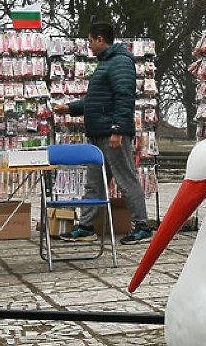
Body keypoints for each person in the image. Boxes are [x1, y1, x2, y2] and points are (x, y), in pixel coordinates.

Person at [52, 22, 153, 245]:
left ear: (100, 39)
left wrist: (117, 130)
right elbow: (96, 101)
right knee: (94, 182)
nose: (88, 46)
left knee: (126, 179)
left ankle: (142, 226)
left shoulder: (119, 62)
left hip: (112, 133)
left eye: (89, 41)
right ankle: (87, 226)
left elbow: (124, 97)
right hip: (99, 133)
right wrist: (70, 108)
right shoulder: (106, 63)